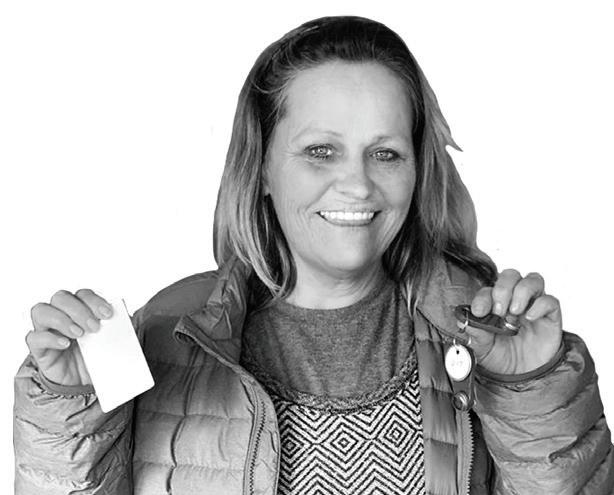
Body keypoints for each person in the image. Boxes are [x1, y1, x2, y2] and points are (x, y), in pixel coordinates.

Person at [13, 15, 614, 495]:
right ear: (261, 168)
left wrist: (536, 392)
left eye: (385, 153)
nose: (357, 184)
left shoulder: (483, 337)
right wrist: (69, 412)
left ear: (417, 170)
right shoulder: (167, 337)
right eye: (322, 151)